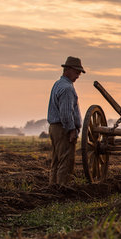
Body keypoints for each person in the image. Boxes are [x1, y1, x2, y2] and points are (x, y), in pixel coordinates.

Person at [47, 56, 85, 186]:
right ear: (67, 70)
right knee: (66, 160)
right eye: (77, 71)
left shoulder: (58, 84)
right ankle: (63, 188)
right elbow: (66, 113)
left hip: (54, 127)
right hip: (63, 128)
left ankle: (53, 187)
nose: (78, 75)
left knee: (56, 160)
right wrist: (71, 130)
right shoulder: (67, 88)